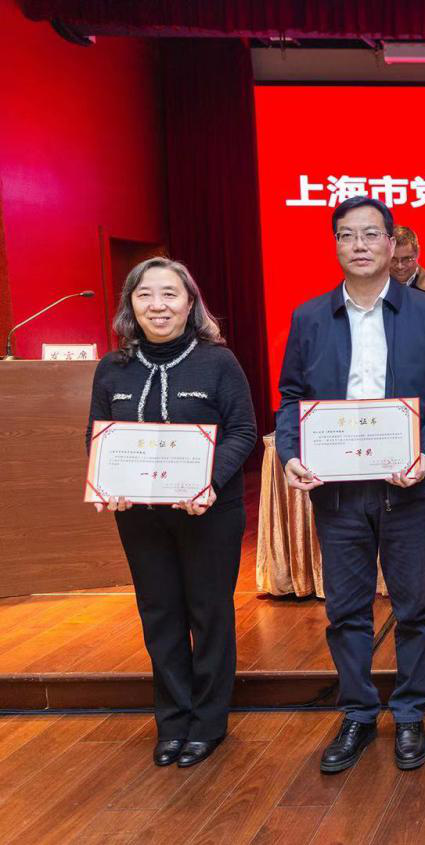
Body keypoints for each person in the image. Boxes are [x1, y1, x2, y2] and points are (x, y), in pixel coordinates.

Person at [276, 197, 425, 773]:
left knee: (414, 607)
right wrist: (291, 453)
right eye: (346, 235)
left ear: (391, 243)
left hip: (407, 485)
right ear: (335, 245)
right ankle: (358, 713)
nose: (358, 245)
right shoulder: (310, 317)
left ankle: (410, 713)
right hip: (336, 490)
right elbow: (291, 398)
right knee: (346, 611)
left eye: (369, 234)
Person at [86, 257, 257, 768]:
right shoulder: (111, 368)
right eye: (145, 295)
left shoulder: (218, 362)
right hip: (139, 515)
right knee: (159, 613)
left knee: (208, 613)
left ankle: (207, 723)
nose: (157, 305)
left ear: (189, 303)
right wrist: (106, 482)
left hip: (209, 511)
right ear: (130, 305)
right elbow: (97, 435)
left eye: (169, 294)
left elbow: (243, 432)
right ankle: (172, 721)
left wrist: (209, 482)